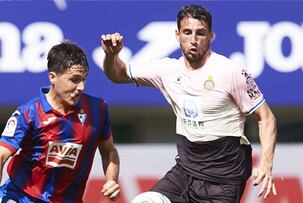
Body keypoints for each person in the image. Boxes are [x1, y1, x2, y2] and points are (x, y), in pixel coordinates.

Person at [101, 4, 277, 203]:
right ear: (177, 35)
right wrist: (111, 55)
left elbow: (266, 118)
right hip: (185, 171)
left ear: (211, 36)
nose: (193, 40)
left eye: (200, 33)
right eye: (187, 32)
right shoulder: (166, 70)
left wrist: (266, 165)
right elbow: (118, 74)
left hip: (224, 179)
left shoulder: (231, 72)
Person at [0, 41, 121, 202]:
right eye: (75, 79)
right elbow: (1, 155)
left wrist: (111, 180)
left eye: (84, 79)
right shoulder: (29, 112)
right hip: (22, 196)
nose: (81, 87)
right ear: (52, 77)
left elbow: (109, 151)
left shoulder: (97, 109)